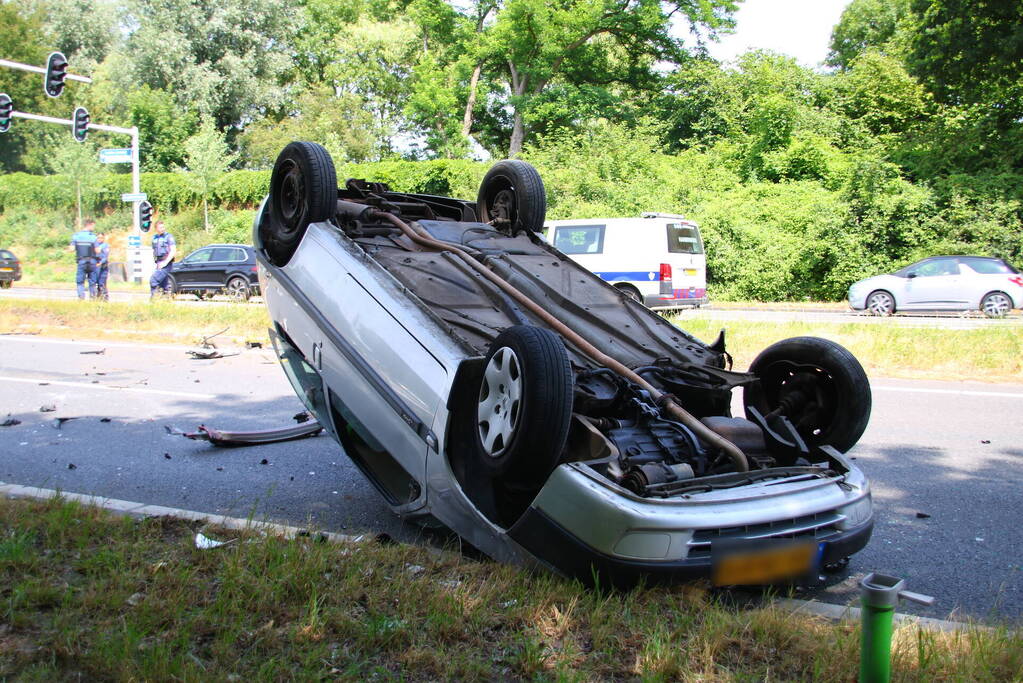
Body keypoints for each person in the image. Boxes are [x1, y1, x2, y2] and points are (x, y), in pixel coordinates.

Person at [69, 219, 99, 300]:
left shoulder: (76, 236)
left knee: (80, 282)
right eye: (93, 225)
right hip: (92, 262)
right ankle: (93, 298)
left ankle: (81, 298)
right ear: (89, 225)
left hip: (81, 262)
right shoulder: (93, 237)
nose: (94, 227)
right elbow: (97, 250)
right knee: (92, 282)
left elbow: (71, 249)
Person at [150, 221, 176, 298]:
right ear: (156, 228)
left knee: (154, 280)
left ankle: (153, 299)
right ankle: (166, 299)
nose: (162, 229)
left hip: (166, 263)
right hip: (159, 262)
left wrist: (165, 262)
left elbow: (173, 250)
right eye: (160, 227)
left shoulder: (168, 237)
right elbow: (154, 251)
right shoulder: (154, 238)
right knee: (163, 284)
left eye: (163, 227)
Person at [94, 232, 110, 301]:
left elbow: (105, 257)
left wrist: (100, 263)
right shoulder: (95, 245)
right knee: (95, 282)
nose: (100, 239)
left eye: (101, 238)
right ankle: (97, 297)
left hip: (102, 266)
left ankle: (104, 298)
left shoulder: (105, 246)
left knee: (102, 282)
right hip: (95, 265)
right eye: (98, 238)